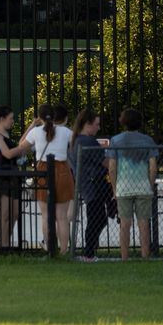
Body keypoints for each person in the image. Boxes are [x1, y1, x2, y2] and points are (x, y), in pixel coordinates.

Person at [107, 108, 158, 261]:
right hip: (143, 186)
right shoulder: (148, 140)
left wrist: (115, 189)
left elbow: (112, 167)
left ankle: (124, 257)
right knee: (143, 223)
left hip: (123, 187)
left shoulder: (116, 140)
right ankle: (145, 256)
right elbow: (153, 166)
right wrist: (150, 183)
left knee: (124, 224)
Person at [22, 104, 75, 253]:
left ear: (39, 117)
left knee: (46, 215)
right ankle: (64, 251)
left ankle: (50, 249)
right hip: (63, 170)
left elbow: (21, 147)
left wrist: (32, 126)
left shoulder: (36, 132)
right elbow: (76, 143)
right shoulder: (65, 131)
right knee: (62, 217)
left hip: (43, 171)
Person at [71, 109, 113, 262]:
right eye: (96, 124)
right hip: (93, 184)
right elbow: (106, 162)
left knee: (97, 217)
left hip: (86, 184)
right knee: (96, 218)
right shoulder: (87, 142)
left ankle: (90, 249)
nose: (98, 128)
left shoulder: (76, 141)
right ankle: (89, 252)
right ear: (87, 124)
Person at [0, 105, 28, 249]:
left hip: (13, 175)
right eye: (10, 118)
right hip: (3, 176)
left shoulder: (6, 135)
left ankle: (5, 242)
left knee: (15, 213)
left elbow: (19, 145)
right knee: (4, 214)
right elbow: (7, 153)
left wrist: (32, 127)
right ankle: (3, 246)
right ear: (1, 119)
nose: (12, 121)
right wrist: (23, 148)